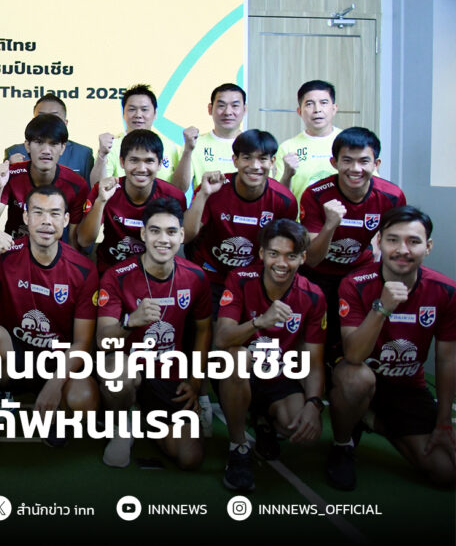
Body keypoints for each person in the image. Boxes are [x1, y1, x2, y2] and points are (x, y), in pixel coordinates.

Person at [0, 185, 99, 474]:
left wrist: (54, 385)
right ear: (25, 217)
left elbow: (83, 343)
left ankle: (53, 415)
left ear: (65, 220)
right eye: (38, 213)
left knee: (84, 399)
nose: (46, 221)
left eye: (55, 214)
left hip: (56, 361)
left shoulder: (84, 269)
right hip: (15, 358)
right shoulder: (5, 254)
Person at [328, 207, 455, 490]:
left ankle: (372, 421)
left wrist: (444, 421)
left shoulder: (445, 291)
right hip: (360, 375)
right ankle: (342, 445)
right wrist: (382, 308)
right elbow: (354, 355)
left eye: (413, 241)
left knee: (445, 471)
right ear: (379, 242)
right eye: (393, 240)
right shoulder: (355, 284)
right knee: (356, 378)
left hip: (408, 385)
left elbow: (447, 359)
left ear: (428, 247)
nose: (402, 250)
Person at [96, 198, 211, 469]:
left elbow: (204, 329)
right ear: (144, 234)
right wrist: (130, 322)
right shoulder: (117, 275)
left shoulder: (196, 277)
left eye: (171, 232)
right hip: (129, 369)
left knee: (190, 458)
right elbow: (103, 341)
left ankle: (147, 417)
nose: (163, 240)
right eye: (155, 231)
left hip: (168, 374)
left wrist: (195, 381)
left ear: (181, 235)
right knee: (118, 374)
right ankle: (122, 425)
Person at [215, 219, 327, 492]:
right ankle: (238, 446)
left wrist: (314, 404)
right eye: (274, 254)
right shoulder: (240, 279)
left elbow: (314, 361)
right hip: (240, 373)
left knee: (299, 428)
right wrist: (259, 322)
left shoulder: (313, 295)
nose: (281, 263)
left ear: (303, 258)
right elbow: (221, 339)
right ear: (262, 253)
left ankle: (264, 420)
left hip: (279, 374)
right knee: (236, 358)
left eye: (291, 256)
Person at [300, 127, 405, 354]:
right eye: (347, 160)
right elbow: (312, 259)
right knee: (317, 341)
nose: (355, 169)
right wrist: (330, 225)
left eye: (363, 161)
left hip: (361, 273)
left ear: (376, 164)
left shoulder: (392, 196)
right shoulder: (316, 194)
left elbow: (399, 245)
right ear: (334, 162)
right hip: (319, 275)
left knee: (356, 342)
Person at [184, 129, 298, 310]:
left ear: (272, 162)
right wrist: (204, 194)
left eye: (262, 159)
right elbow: (186, 236)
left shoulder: (285, 200)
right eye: (247, 158)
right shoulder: (214, 189)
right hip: (211, 276)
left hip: (254, 280)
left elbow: (285, 250)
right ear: (235, 160)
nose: (255, 166)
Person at [77, 129, 187, 273]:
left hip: (155, 275)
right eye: (134, 160)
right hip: (111, 273)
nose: (141, 169)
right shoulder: (106, 190)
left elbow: (182, 241)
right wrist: (101, 201)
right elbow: (84, 240)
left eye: (149, 161)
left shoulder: (174, 196)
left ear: (160, 164)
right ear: (122, 162)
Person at [0, 114, 88, 246]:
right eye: (39, 142)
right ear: (27, 146)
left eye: (53, 144)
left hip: (53, 253)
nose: (46, 150)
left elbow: (74, 243)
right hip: (13, 251)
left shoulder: (77, 184)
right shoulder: (10, 175)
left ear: (62, 148)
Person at [91, 84, 180, 187]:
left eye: (144, 109)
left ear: (155, 113)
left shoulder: (169, 146)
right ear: (123, 113)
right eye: (132, 109)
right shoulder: (111, 145)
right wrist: (102, 155)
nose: (138, 115)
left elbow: (178, 188)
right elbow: (97, 187)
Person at [275, 80, 342, 203]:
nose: (317, 109)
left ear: (334, 108)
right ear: (299, 111)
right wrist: (287, 174)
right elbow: (280, 197)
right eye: (309, 104)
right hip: (301, 215)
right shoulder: (287, 148)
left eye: (323, 103)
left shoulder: (348, 144)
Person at [172, 84, 247, 193]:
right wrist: (188, 151)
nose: (228, 112)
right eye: (221, 105)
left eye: (235, 106)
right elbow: (178, 189)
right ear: (210, 109)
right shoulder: (194, 144)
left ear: (244, 109)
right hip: (204, 204)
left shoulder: (253, 145)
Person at [4, 94, 94, 183]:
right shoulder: (14, 152)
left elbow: (90, 189)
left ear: (65, 123)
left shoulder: (83, 153)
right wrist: (11, 169)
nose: (47, 122)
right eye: (41, 117)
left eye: (54, 117)